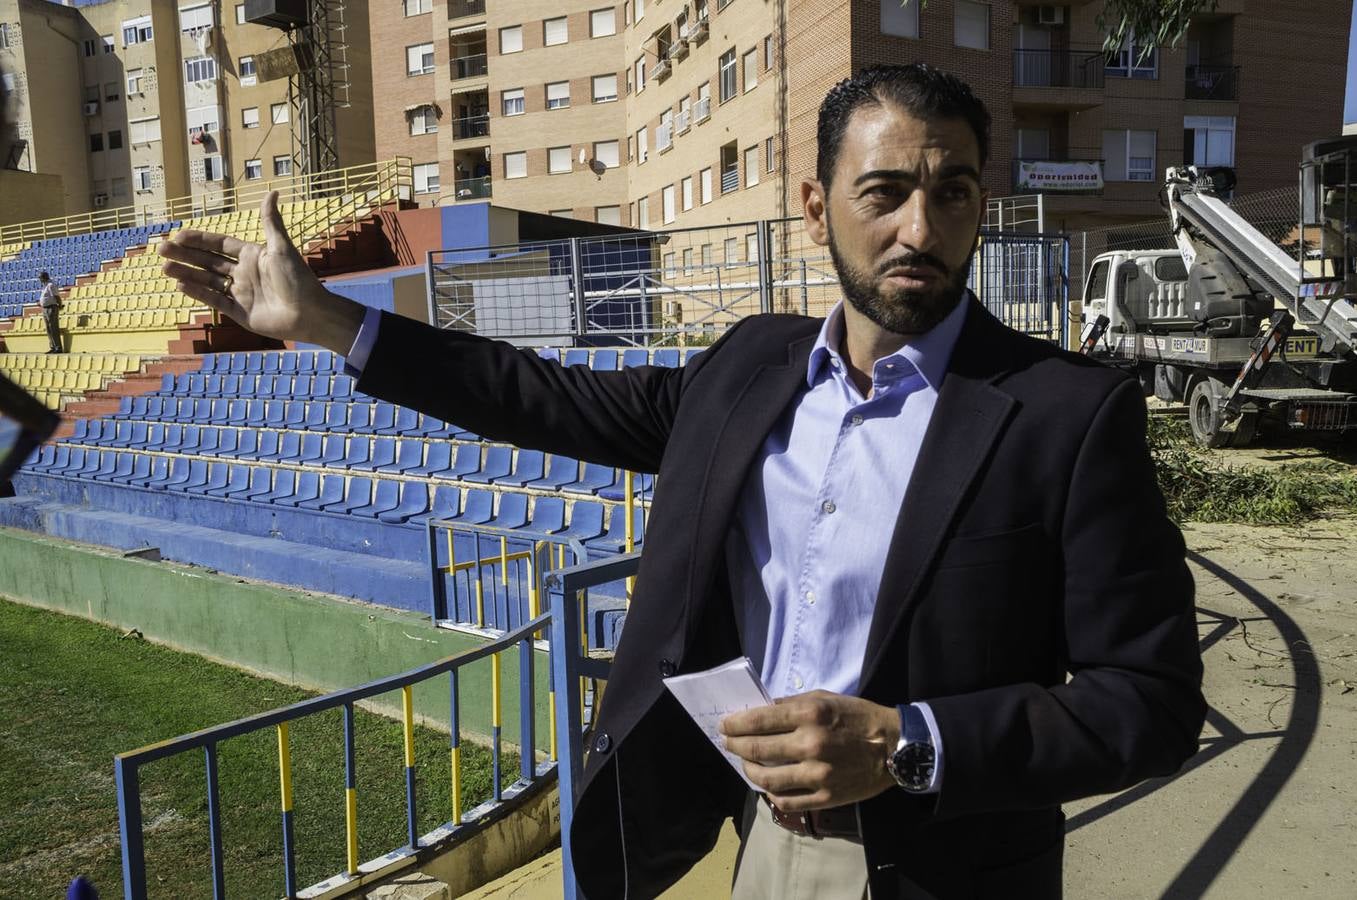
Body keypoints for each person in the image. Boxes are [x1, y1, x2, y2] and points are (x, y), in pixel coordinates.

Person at [158, 64, 1205, 900]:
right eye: (883, 193)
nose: (919, 232)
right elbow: (542, 396)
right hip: (759, 844)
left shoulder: (1066, 413)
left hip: (951, 865)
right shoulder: (748, 368)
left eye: (953, 192)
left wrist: (907, 743)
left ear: (983, 205)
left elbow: (1151, 704)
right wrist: (328, 323)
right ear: (815, 206)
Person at [38, 272, 63, 353]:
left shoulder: (50, 285)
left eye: (40, 277)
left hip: (51, 308)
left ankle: (58, 347)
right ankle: (52, 346)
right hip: (45, 308)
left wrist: (60, 305)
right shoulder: (45, 286)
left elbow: (56, 296)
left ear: (44, 277)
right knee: (48, 329)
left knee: (53, 328)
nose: (39, 279)